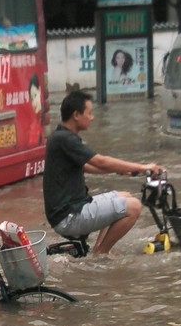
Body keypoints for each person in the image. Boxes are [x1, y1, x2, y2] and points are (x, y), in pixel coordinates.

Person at [42, 89, 163, 255]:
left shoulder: (60, 137)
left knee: (124, 196)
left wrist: (120, 171)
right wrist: (142, 167)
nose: (92, 118)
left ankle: (98, 250)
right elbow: (101, 161)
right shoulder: (65, 139)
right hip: (69, 217)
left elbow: (88, 167)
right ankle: (101, 254)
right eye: (89, 113)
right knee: (133, 207)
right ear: (76, 115)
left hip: (71, 210)